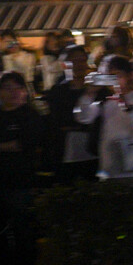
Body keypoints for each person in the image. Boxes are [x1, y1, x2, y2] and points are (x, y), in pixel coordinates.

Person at [0, 72, 51, 265]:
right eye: (8, 88)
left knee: (23, 228)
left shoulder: (31, 116)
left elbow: (24, 145)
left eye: (18, 87)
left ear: (25, 91)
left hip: (22, 182)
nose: (14, 92)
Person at [75, 56, 133, 181]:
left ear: (129, 75)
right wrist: (90, 93)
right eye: (110, 76)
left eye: (118, 75)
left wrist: (125, 104)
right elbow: (83, 117)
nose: (114, 80)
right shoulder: (104, 102)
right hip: (110, 168)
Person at [44, 46, 98, 184]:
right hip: (64, 151)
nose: (79, 65)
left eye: (82, 60)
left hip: (93, 150)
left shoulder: (97, 90)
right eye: (74, 61)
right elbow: (57, 121)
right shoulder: (57, 92)